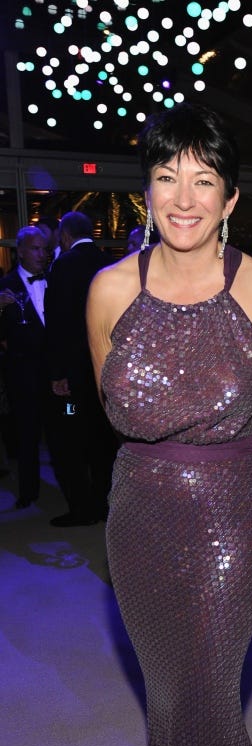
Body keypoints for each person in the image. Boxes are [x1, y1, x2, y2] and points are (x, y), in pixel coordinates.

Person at [86, 102, 252, 746]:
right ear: (148, 190)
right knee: (171, 706)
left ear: (232, 197)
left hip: (232, 518)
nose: (184, 195)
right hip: (138, 518)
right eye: (168, 176)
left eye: (203, 178)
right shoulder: (108, 290)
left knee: (205, 701)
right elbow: (112, 406)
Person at [45, 211, 117, 525]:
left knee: (73, 436)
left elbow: (58, 325)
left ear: (64, 235)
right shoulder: (109, 263)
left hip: (74, 379)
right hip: (105, 374)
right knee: (104, 439)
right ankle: (106, 502)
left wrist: (58, 374)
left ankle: (83, 508)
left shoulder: (63, 266)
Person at [0, 226, 56, 508]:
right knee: (27, 434)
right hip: (23, 376)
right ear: (20, 251)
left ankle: (73, 489)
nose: (42, 255)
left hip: (56, 375)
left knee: (64, 428)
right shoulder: (5, 286)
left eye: (45, 249)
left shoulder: (55, 279)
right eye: (35, 249)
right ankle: (28, 491)